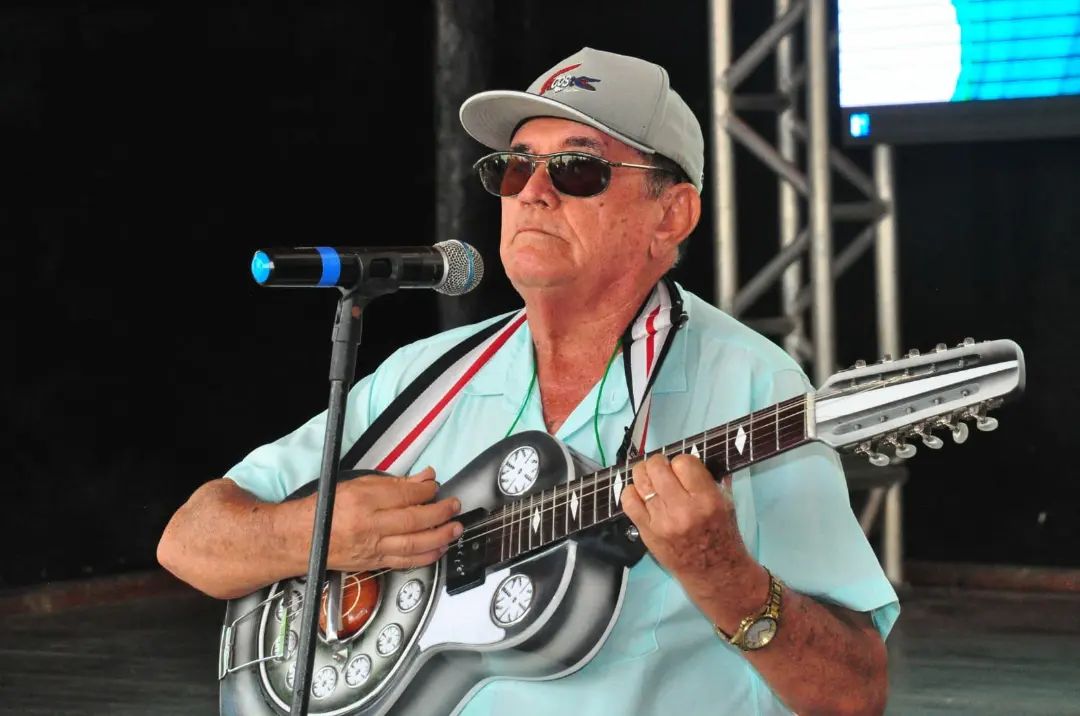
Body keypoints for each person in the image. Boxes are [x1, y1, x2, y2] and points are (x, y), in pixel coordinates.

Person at [158, 47, 898, 715]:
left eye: (577, 169)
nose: (533, 192)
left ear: (671, 215)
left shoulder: (752, 384)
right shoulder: (426, 376)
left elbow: (853, 694)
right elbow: (189, 542)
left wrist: (724, 576)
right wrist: (319, 534)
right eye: (513, 167)